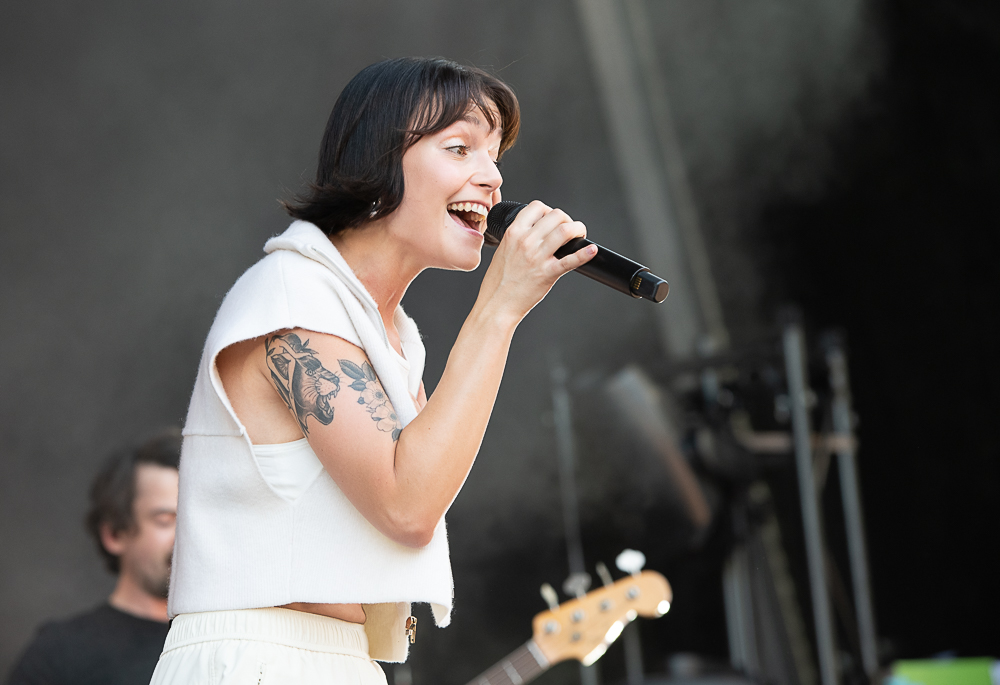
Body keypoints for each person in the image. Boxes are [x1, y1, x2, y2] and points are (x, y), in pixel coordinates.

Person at [153, 57, 596, 684]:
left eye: (495, 156)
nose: (493, 178)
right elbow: (407, 507)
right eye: (460, 148)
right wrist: (499, 310)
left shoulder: (386, 334)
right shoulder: (291, 297)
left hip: (340, 656)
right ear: (379, 160)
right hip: (261, 657)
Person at [7, 431, 180, 685]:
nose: (185, 535)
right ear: (114, 534)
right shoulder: (59, 655)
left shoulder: (229, 641)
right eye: (165, 520)